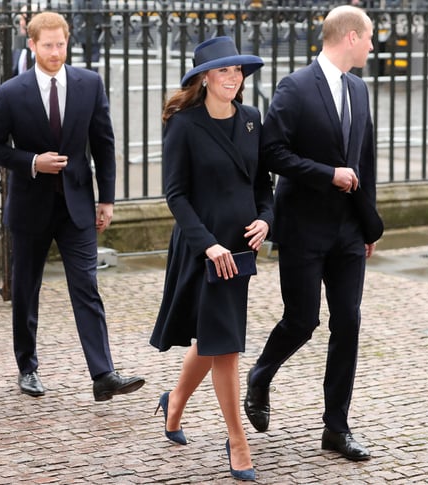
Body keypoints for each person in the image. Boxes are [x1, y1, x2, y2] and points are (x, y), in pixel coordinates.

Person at [243, 5, 384, 462]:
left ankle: (335, 428)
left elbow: (365, 163)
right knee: (302, 322)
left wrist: (369, 224)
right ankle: (261, 375)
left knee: (349, 322)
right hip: (303, 228)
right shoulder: (295, 87)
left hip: (347, 233)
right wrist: (328, 174)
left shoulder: (360, 90)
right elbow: (272, 153)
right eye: (368, 38)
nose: (371, 45)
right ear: (348, 37)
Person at [0, 11, 145, 401]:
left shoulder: (89, 83)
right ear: (32, 45)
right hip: (29, 206)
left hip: (77, 205)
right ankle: (28, 367)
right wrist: (31, 163)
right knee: (26, 289)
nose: (55, 52)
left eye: (61, 44)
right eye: (47, 45)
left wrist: (106, 198)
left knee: (86, 287)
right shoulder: (11, 92)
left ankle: (103, 373)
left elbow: (104, 143)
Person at [149, 37, 273, 481]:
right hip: (204, 251)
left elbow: (263, 186)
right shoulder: (184, 125)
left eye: (237, 71)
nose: (233, 78)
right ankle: (237, 442)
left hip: (240, 251)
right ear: (204, 78)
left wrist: (266, 219)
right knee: (227, 346)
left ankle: (174, 403)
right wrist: (208, 245)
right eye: (223, 71)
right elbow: (176, 195)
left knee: (215, 338)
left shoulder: (253, 121)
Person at [72, 0, 102, 69]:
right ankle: (91, 75)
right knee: (94, 56)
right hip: (94, 31)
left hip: (83, 31)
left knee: (86, 55)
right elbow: (100, 14)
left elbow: (75, 14)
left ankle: (87, 75)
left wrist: (78, 28)